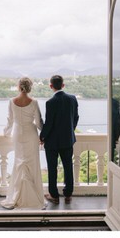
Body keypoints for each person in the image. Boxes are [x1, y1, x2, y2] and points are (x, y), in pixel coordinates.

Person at [0, 77, 45, 209]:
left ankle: (16, 195)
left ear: (19, 87)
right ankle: (34, 197)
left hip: (18, 134)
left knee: (19, 163)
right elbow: (39, 121)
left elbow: (10, 120)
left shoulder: (12, 101)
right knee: (32, 164)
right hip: (31, 133)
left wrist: (6, 132)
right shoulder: (34, 102)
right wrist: (45, 134)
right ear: (29, 87)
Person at [40, 74, 79, 204]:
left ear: (51, 86)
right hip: (68, 140)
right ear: (63, 85)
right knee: (68, 167)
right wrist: (70, 130)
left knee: (52, 168)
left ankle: (54, 196)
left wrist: (42, 136)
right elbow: (76, 118)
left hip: (52, 142)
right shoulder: (72, 99)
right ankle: (68, 195)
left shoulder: (50, 102)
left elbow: (49, 123)